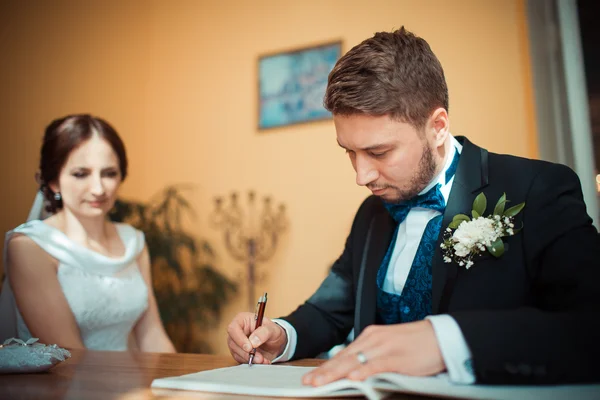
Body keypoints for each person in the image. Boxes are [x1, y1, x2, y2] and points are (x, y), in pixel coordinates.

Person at [226, 27, 600, 385]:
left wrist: (447, 342)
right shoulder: (371, 214)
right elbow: (331, 308)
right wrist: (282, 335)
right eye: (350, 153)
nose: (362, 176)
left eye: (378, 152)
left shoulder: (536, 189)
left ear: (437, 126)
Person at [0, 114, 176, 353]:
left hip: (132, 382)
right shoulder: (30, 247)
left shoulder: (133, 241)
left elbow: (152, 336)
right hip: (68, 385)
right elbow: (68, 355)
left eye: (109, 173)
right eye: (81, 174)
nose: (98, 189)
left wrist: (178, 384)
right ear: (53, 181)